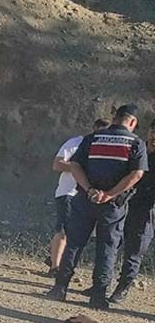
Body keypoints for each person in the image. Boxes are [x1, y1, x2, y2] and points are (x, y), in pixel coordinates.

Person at [48, 104, 149, 309]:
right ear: (132, 122)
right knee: (107, 248)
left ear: (115, 118)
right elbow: (137, 174)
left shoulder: (93, 138)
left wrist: (89, 189)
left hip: (85, 200)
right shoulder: (136, 143)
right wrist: (110, 194)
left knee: (74, 244)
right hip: (112, 206)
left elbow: (75, 165)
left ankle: (59, 288)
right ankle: (98, 297)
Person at [47, 118, 112, 276]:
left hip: (87, 196)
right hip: (68, 192)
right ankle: (55, 267)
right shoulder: (77, 143)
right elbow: (57, 164)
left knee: (77, 233)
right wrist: (79, 167)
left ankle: (57, 259)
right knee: (64, 229)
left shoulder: (104, 149)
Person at [112, 120, 155, 306]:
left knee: (135, 250)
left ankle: (123, 287)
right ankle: (105, 283)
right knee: (116, 244)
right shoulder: (138, 149)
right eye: (153, 131)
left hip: (148, 209)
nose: (154, 136)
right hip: (128, 204)